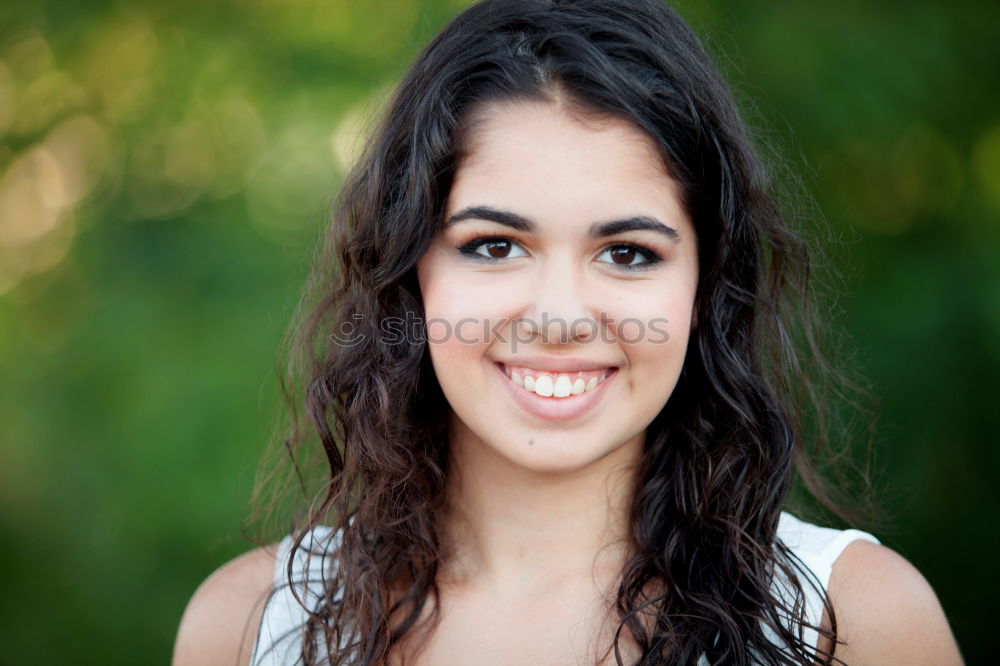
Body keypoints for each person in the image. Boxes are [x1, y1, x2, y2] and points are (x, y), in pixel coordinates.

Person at [172, 1, 963, 664]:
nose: (559, 314)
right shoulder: (249, 628)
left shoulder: (855, 621)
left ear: (705, 286)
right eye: (495, 246)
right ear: (410, 269)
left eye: (626, 253)